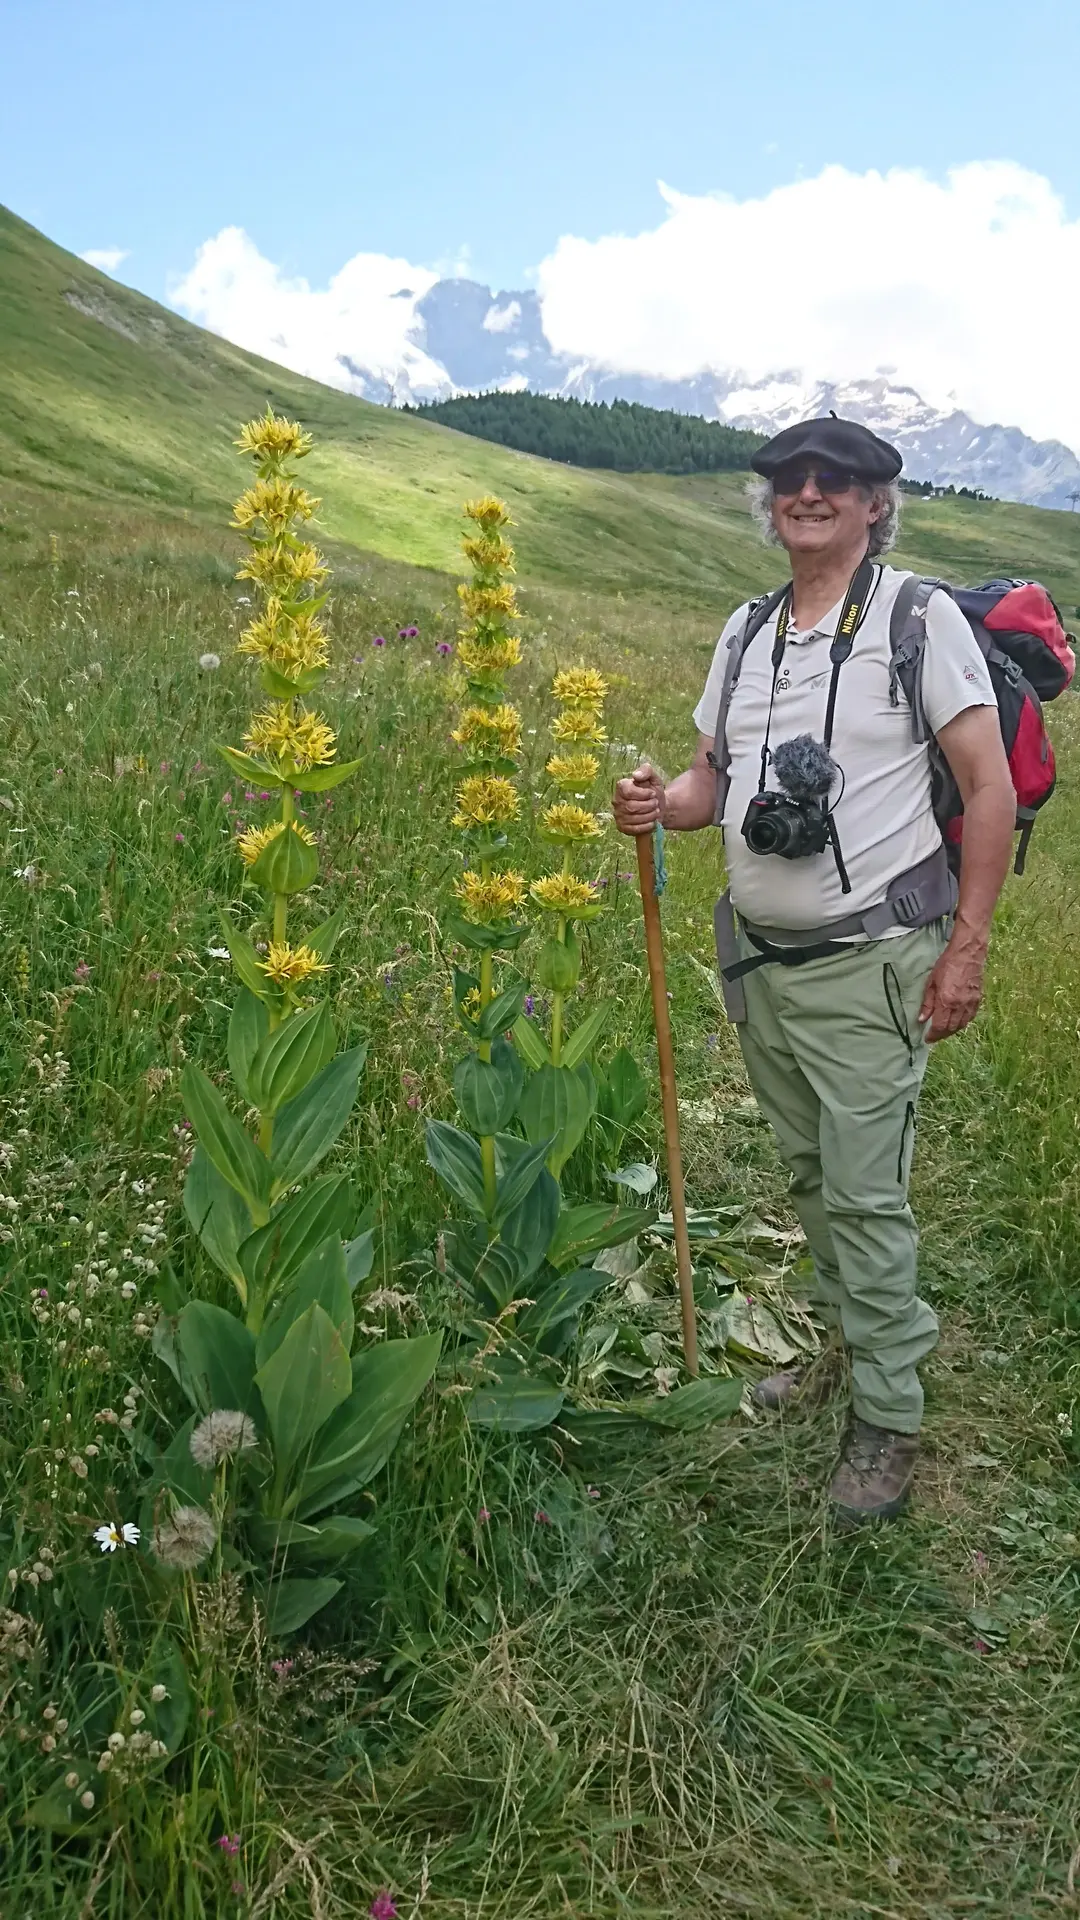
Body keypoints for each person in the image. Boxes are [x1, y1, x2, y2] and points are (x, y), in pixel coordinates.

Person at [613, 416, 1016, 1524]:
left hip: (871, 961)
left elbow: (987, 786)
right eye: (788, 478)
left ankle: (888, 1416)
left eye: (834, 479)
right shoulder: (746, 631)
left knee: (867, 1195)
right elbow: (710, 783)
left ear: (876, 503)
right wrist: (659, 803)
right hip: (761, 962)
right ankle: (847, 1349)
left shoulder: (915, 618)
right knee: (810, 1178)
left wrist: (968, 949)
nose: (806, 491)